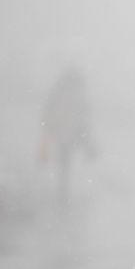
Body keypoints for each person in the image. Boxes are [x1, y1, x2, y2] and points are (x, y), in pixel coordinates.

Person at [38, 65, 96, 207]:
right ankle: (62, 189)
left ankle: (62, 188)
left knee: (64, 159)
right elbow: (81, 112)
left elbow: (82, 112)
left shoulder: (65, 91)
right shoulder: (69, 92)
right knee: (64, 159)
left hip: (67, 130)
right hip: (67, 130)